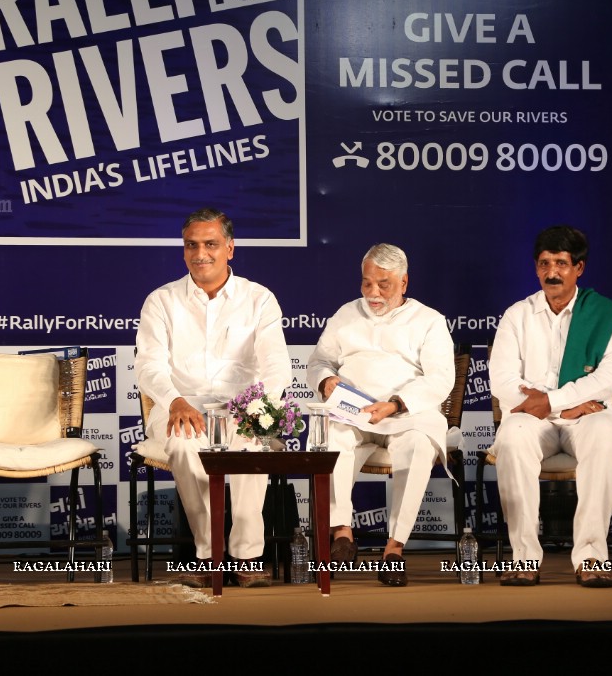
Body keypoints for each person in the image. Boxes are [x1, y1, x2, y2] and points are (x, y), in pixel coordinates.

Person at [135, 208, 292, 588]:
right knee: (187, 447)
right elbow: (148, 366)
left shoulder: (259, 299)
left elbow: (277, 365)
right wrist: (174, 400)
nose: (200, 253)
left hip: (242, 408)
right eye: (192, 245)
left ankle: (248, 557)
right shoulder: (162, 300)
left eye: (210, 244)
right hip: (179, 406)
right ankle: (209, 557)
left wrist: (260, 409)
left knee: (252, 448)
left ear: (230, 249)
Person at [307, 243, 454, 586]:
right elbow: (319, 361)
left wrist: (395, 404)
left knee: (418, 445)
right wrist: (326, 380)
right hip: (352, 412)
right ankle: (342, 531)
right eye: (366, 283)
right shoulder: (346, 314)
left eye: (383, 284)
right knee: (329, 437)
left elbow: (441, 378)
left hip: (406, 415)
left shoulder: (429, 321)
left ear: (404, 283)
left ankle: (394, 548)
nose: (373, 293)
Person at [488, 225, 612, 588]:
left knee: (602, 435)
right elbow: (502, 382)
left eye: (562, 264)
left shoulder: (605, 315)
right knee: (514, 438)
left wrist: (550, 400)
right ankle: (524, 558)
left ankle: (592, 557)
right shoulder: (516, 315)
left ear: (579, 268)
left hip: (587, 417)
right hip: (534, 419)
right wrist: (560, 409)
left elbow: (608, 379)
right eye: (545, 263)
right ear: (536, 267)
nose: (552, 273)